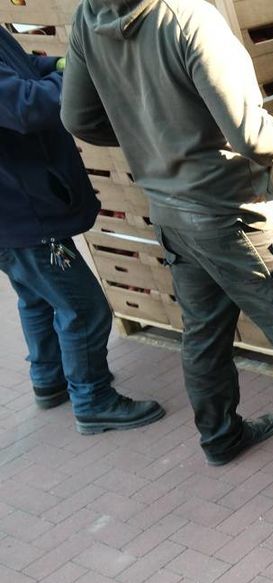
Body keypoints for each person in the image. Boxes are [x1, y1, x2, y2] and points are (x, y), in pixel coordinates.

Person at [59, 0, 273, 476]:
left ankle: (220, 436)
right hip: (233, 217)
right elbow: (251, 135)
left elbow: (79, 119)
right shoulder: (190, 17)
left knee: (204, 333)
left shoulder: (90, 15)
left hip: (170, 212)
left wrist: (153, 141)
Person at [0, 27, 164, 434]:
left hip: (18, 209)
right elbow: (25, 107)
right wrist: (76, 76)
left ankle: (49, 380)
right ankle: (93, 400)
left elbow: (19, 68)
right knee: (85, 307)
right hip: (22, 212)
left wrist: (55, 63)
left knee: (37, 296)